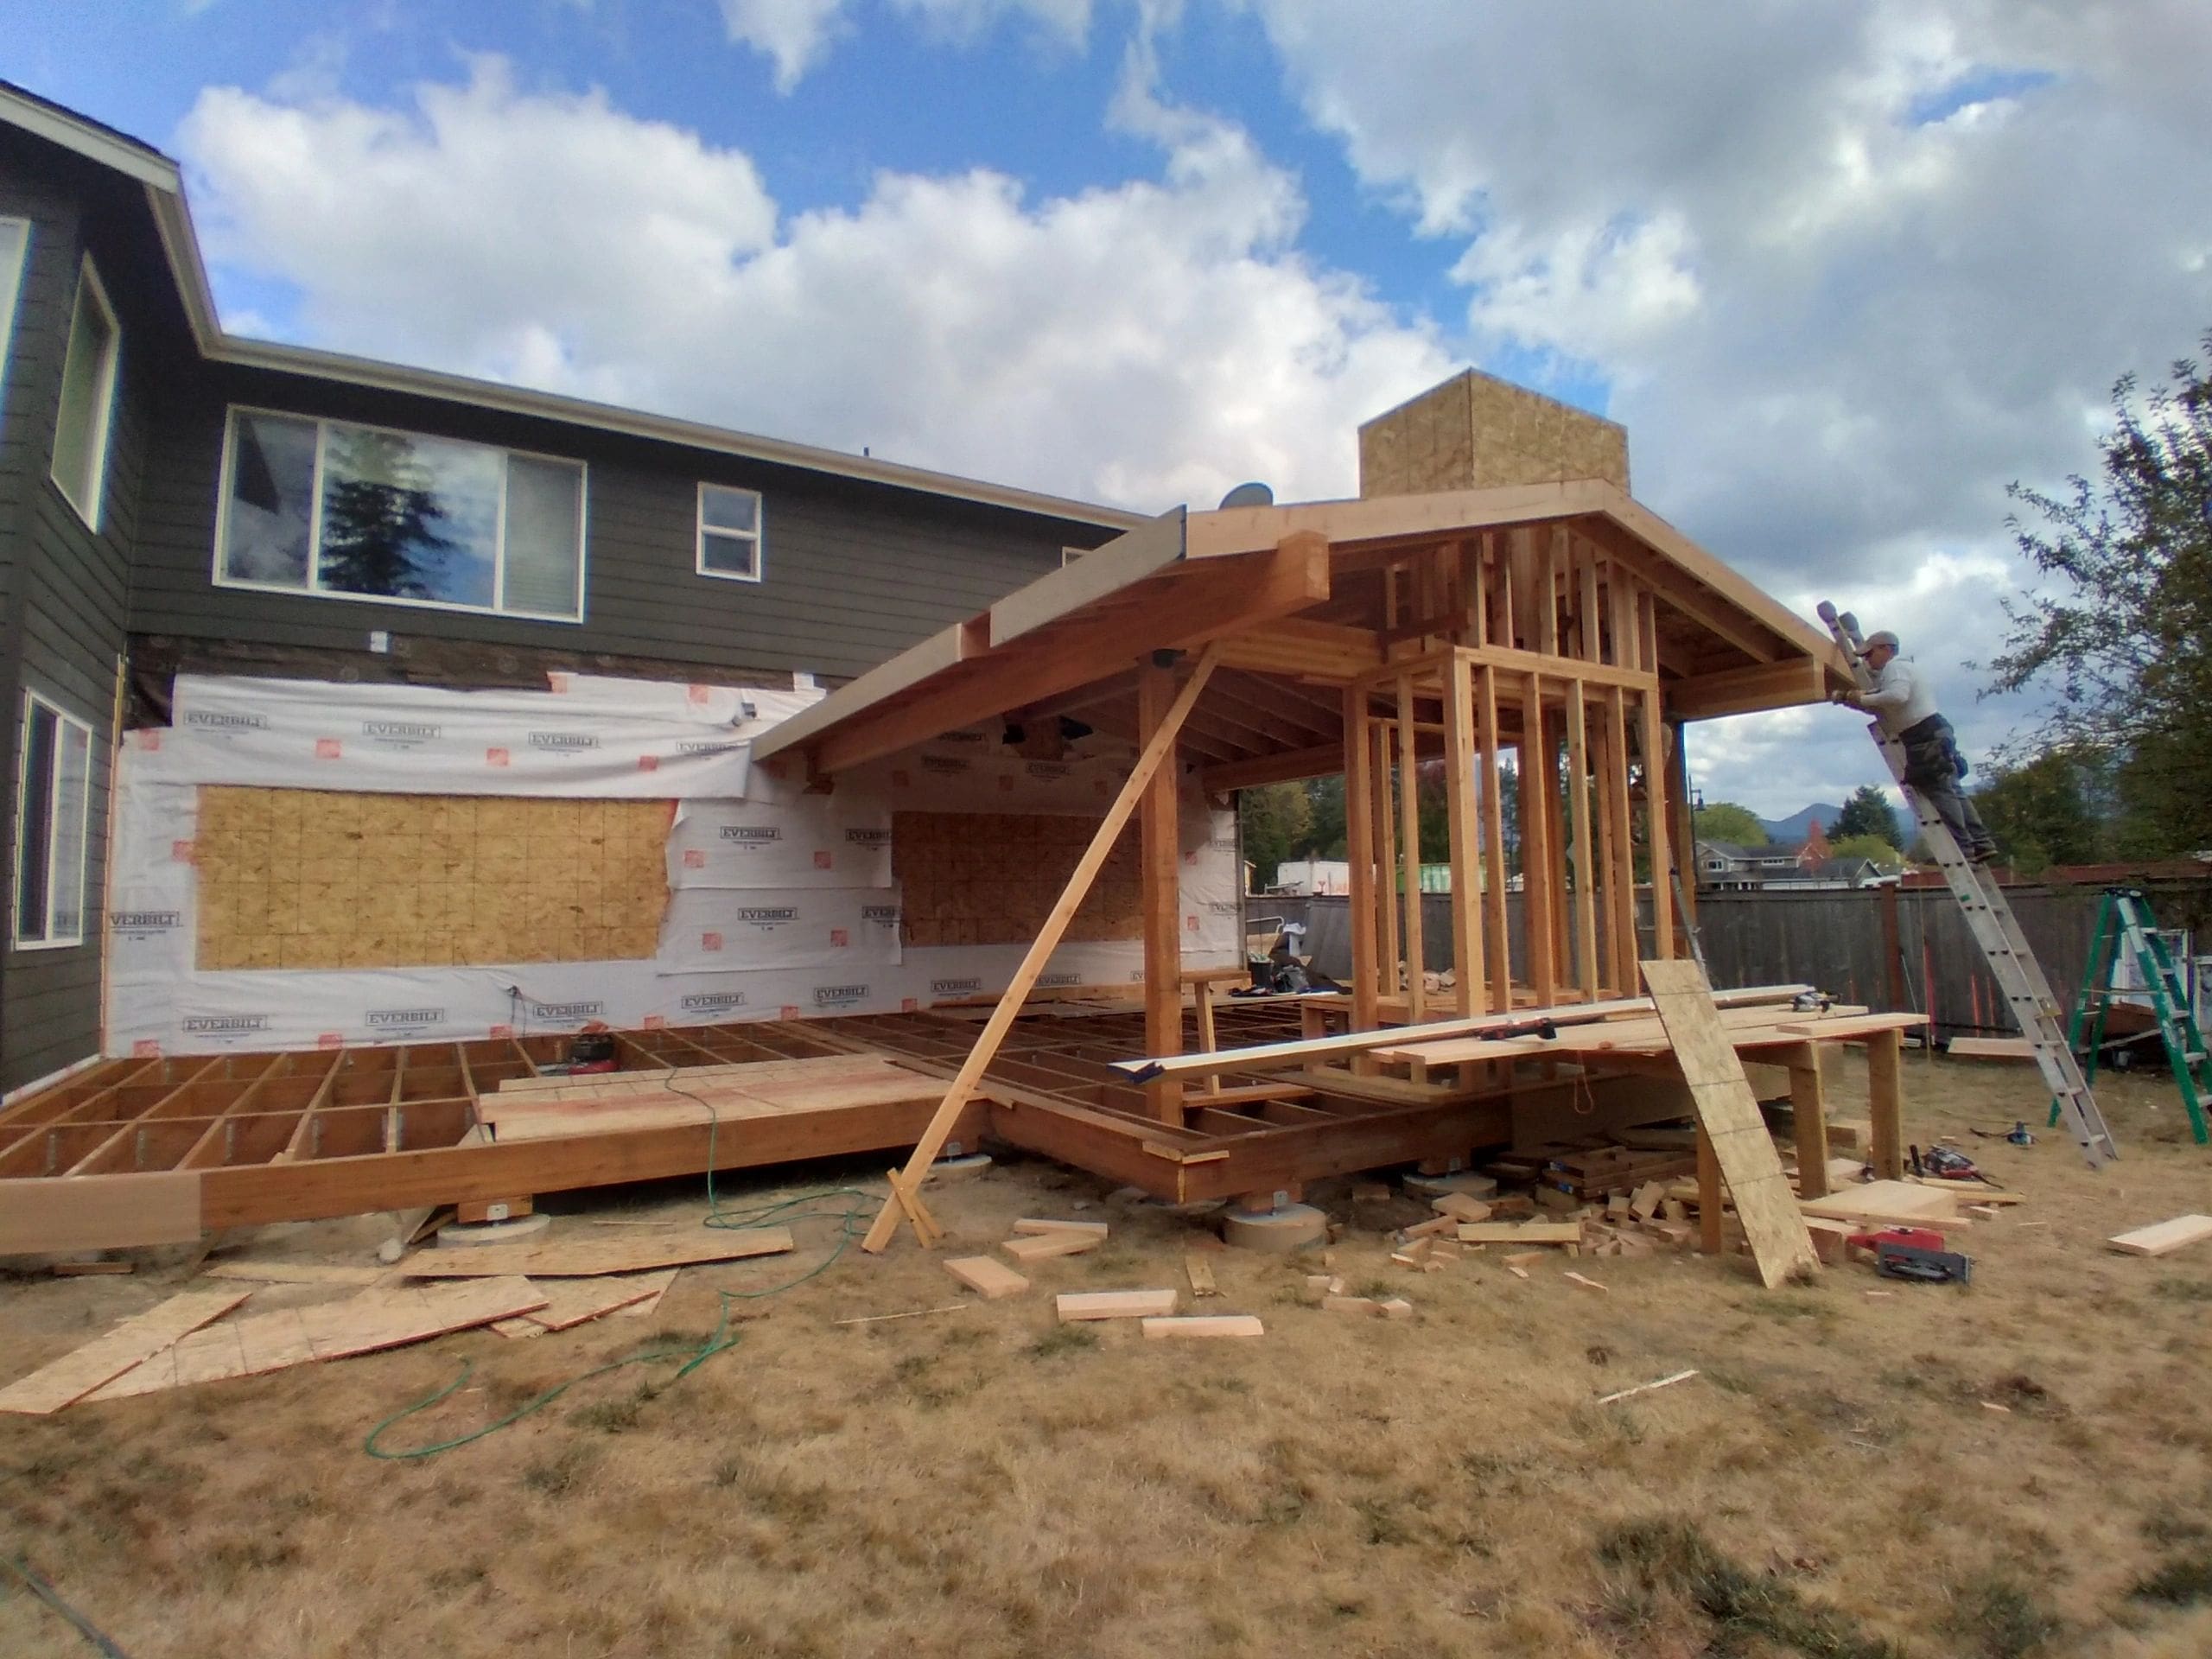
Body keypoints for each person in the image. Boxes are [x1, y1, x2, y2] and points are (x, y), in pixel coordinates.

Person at [1834, 630, 2000, 861]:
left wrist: (1861, 698)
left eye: (1870, 654)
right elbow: (1884, 703)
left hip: (1924, 735)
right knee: (1952, 789)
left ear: (1886, 649)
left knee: (1938, 789)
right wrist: (1852, 699)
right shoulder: (1899, 671)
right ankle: (1981, 842)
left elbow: (1897, 696)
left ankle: (1966, 847)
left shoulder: (1896, 668)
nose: (1866, 660)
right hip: (1934, 730)